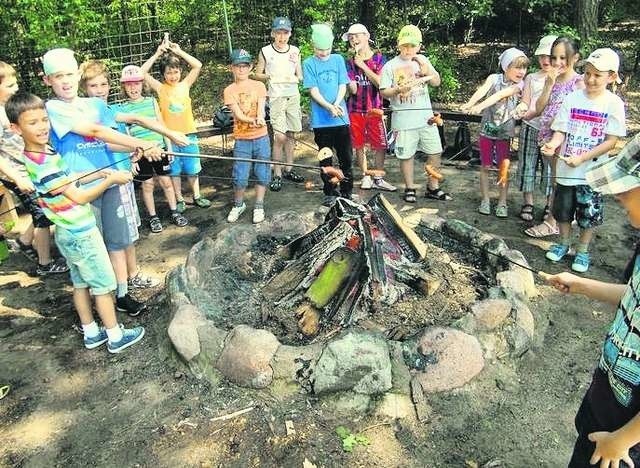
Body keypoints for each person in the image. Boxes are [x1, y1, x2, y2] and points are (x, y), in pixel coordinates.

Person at [6, 91, 145, 353]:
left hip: (67, 233)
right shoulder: (43, 163)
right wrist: (110, 180)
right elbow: (79, 197)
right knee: (104, 286)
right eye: (32, 123)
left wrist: (97, 171)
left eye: (44, 120)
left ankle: (91, 332)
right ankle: (115, 336)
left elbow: (67, 177)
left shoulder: (41, 153)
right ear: (15, 128)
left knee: (80, 283)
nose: (42, 127)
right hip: (81, 233)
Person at [42, 48, 163, 316]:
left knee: (118, 242)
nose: (65, 81)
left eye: (70, 74)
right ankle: (99, 301)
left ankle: (121, 294)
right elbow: (94, 131)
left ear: (77, 74)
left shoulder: (93, 105)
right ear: (47, 80)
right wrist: (141, 142)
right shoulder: (53, 108)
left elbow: (106, 141)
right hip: (81, 190)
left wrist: (136, 149)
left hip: (110, 182)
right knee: (90, 250)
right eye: (58, 76)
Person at [544, 132, 640, 467]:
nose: (618, 196)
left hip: (627, 439)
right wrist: (582, 286)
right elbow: (636, 299)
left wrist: (624, 441)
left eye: (626, 189)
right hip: (608, 399)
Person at [541, 48, 626, 273]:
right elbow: (561, 130)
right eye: (588, 73)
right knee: (563, 210)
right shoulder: (572, 98)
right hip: (566, 170)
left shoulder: (613, 103)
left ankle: (583, 250)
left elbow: (612, 141)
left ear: (611, 76)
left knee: (589, 214)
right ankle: (564, 243)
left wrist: (583, 158)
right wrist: (553, 144)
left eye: (598, 75)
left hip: (592, 172)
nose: (591, 79)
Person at [0, 61, 68, 275]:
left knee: (42, 210)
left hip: (30, 168)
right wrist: (17, 178)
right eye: (10, 86)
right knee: (42, 215)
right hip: (18, 174)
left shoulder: (9, 110)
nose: (16, 88)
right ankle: (45, 264)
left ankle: (24, 240)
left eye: (16, 83)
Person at [379, 24, 448, 204]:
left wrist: (427, 69)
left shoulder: (423, 60)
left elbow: (436, 82)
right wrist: (397, 90)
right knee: (406, 154)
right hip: (403, 119)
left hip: (426, 118)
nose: (409, 49)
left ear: (419, 45)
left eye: (412, 45)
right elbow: (383, 91)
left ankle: (433, 187)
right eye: (405, 45)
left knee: (435, 151)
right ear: (398, 45)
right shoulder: (390, 65)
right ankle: (409, 187)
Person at [140, 40, 211, 212]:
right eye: (169, 72)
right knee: (175, 170)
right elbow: (141, 72)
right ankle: (179, 199)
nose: (173, 75)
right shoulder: (160, 88)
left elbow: (197, 65)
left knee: (192, 167)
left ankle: (197, 195)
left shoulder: (185, 85)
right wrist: (157, 53)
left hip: (189, 135)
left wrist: (179, 52)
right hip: (170, 137)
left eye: (176, 71)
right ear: (163, 74)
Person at [117, 65, 189, 233]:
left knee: (166, 181)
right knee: (147, 184)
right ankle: (153, 216)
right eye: (129, 84)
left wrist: (169, 145)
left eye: (136, 83)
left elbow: (160, 124)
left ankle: (174, 211)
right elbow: (126, 133)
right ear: (123, 87)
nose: (133, 88)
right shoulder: (122, 108)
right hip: (140, 152)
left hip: (159, 148)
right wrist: (130, 156)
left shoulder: (151, 101)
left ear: (142, 84)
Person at [525, 37, 585, 238]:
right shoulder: (551, 79)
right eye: (554, 57)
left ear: (575, 58)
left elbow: (579, 115)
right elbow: (540, 108)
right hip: (546, 137)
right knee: (555, 180)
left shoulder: (579, 83)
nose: (557, 62)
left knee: (560, 181)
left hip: (564, 139)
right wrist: (549, 84)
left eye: (563, 57)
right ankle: (559, 218)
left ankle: (552, 222)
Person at [461, 47, 529, 217]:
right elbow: (482, 91)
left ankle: (502, 202)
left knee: (503, 168)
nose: (522, 71)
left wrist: (478, 107)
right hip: (486, 131)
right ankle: (485, 200)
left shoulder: (521, 85)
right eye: (517, 67)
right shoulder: (494, 78)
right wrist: (470, 103)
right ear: (506, 66)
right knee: (485, 166)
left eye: (524, 67)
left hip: (505, 134)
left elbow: (499, 96)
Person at [302, 23, 353, 207]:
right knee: (325, 157)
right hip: (321, 121)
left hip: (340, 117)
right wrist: (328, 106)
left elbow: (342, 84)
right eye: (319, 49)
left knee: (346, 156)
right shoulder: (308, 63)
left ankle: (347, 191)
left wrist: (337, 103)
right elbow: (313, 90)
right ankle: (330, 192)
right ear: (313, 45)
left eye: (327, 49)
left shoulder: (338, 59)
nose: (323, 53)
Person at [343, 23, 396, 192]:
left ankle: (378, 177)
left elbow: (381, 83)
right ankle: (366, 175)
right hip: (355, 108)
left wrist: (363, 66)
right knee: (359, 145)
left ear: (367, 36)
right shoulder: (349, 62)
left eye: (357, 36)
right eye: (351, 37)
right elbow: (353, 89)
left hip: (376, 108)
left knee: (379, 144)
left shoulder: (380, 59)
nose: (354, 40)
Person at [254, 16, 304, 192]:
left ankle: (289, 168)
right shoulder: (266, 51)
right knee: (279, 136)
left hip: (292, 95)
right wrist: (270, 77)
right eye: (278, 33)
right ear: (273, 33)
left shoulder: (295, 51)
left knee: (291, 134)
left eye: (285, 33)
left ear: (290, 34)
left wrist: (295, 78)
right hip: (275, 97)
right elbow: (256, 74)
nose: (282, 37)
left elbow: (300, 75)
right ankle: (277, 172)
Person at [223, 49, 270, 224]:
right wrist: (251, 120)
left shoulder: (259, 86)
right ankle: (238, 204)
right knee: (240, 174)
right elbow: (238, 115)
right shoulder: (229, 90)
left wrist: (259, 118)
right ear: (232, 68)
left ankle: (259, 205)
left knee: (262, 172)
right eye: (237, 66)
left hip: (261, 137)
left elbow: (261, 107)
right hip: (242, 139)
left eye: (245, 66)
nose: (241, 69)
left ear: (250, 67)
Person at [514, 35, 557, 222]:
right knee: (527, 164)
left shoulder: (564, 79)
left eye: (549, 56)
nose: (545, 60)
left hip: (552, 131)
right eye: (542, 56)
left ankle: (550, 204)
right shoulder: (532, 78)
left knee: (550, 169)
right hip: (530, 127)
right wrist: (520, 109)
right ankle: (528, 202)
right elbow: (525, 101)